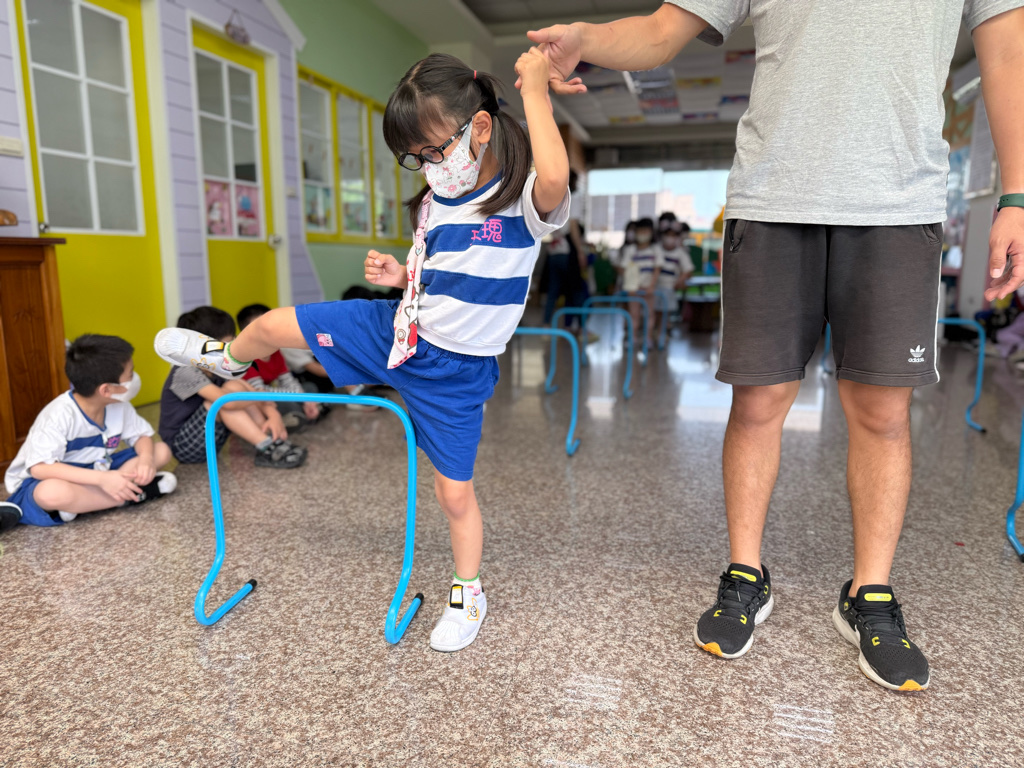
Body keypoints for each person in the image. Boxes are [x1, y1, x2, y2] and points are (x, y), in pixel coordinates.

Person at [524, 1, 1024, 691]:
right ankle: (745, 573)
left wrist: (1016, 197)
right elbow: (663, 29)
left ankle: (870, 594)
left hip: (897, 205)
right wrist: (585, 37)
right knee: (757, 403)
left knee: (882, 412)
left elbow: (1007, 52)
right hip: (772, 200)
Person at [155, 52, 571, 652]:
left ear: (479, 128)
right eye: (415, 157)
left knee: (454, 494)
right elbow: (443, 275)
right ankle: (227, 359)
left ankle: (467, 592)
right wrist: (403, 276)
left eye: (433, 151)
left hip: (454, 373)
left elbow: (554, 178)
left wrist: (535, 91)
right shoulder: (434, 202)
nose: (428, 166)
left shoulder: (520, 202)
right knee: (270, 325)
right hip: (397, 329)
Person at [3, 335, 177, 527]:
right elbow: (40, 468)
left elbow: (141, 436)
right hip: (54, 477)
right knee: (51, 493)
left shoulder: (118, 405)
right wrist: (103, 479)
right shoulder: (58, 415)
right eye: (130, 375)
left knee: (161, 451)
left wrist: (146, 460)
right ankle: (130, 496)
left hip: (99, 468)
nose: (134, 378)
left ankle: (86, 503)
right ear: (106, 390)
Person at [158, 307, 306, 469]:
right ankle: (266, 446)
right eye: (226, 345)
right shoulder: (185, 371)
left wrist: (273, 414)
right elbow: (229, 402)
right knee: (221, 402)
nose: (232, 348)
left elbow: (248, 389)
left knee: (235, 386)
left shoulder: (220, 367)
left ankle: (271, 439)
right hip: (184, 446)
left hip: (212, 438)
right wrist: (253, 397)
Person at [237, 304, 325, 429]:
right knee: (286, 404)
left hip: (277, 393)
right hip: (258, 400)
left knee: (310, 388)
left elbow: (288, 380)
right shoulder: (247, 357)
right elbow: (260, 392)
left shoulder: (275, 352)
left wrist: (305, 399)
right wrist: (299, 396)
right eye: (260, 330)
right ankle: (302, 414)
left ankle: (302, 413)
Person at [543, 169, 587, 329]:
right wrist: (580, 251)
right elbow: (573, 227)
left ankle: (546, 325)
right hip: (568, 249)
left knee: (553, 291)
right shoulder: (573, 198)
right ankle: (581, 328)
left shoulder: (553, 199)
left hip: (554, 250)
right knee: (576, 290)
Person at [617, 217, 662, 348]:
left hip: (649, 289)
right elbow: (623, 269)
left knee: (649, 314)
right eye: (640, 231)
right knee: (634, 314)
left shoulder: (655, 249)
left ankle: (648, 339)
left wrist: (651, 286)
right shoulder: (630, 250)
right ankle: (633, 338)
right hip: (633, 289)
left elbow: (657, 269)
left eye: (646, 231)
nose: (643, 234)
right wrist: (631, 285)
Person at [656, 221, 695, 333]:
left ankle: (663, 334)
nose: (670, 238)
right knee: (654, 313)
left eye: (673, 235)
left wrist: (679, 282)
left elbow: (688, 270)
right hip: (654, 287)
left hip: (669, 287)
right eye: (667, 235)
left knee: (665, 313)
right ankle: (656, 333)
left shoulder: (680, 253)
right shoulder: (657, 249)